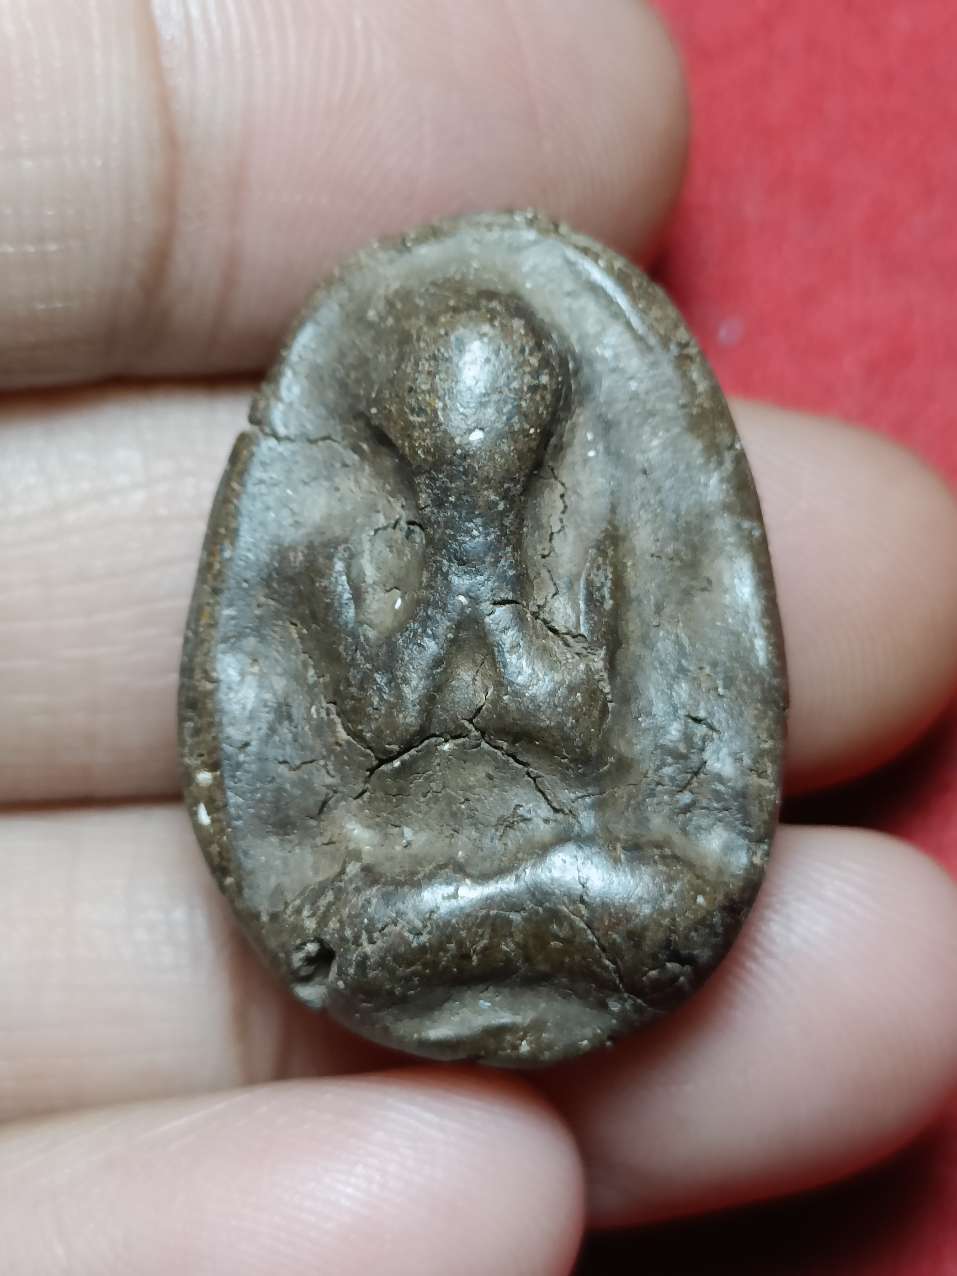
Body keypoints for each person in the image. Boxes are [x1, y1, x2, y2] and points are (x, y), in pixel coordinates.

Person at [1, 3, 956, 1272]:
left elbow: (614, 753)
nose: (476, 499)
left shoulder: (586, 571)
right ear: (405, 455)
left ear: (537, 454)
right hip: (391, 898)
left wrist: (510, 642)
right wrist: (446, 642)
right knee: (350, 927)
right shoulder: (353, 577)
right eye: (448, 466)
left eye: (502, 466)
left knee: (648, 900)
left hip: (578, 874)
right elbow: (346, 773)